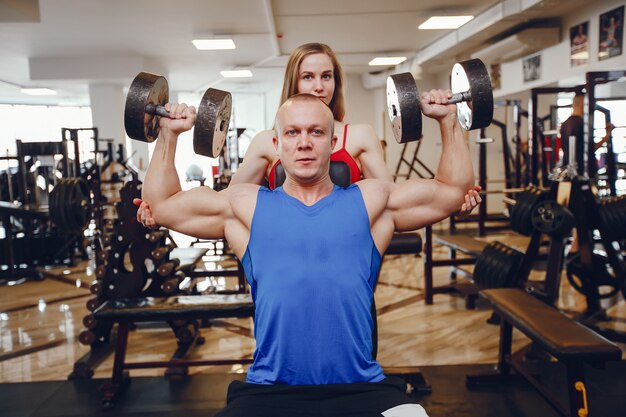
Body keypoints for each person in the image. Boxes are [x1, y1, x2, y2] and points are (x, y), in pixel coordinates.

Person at [141, 93, 474, 417]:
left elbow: (452, 190)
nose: (304, 142)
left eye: (316, 132)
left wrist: (448, 121)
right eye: (292, 132)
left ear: (333, 142)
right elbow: (163, 204)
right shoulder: (245, 204)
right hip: (271, 391)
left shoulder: (371, 201)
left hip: (361, 388)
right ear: (277, 144)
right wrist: (168, 134)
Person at [134, 43, 481, 228]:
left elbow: (392, 202)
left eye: (326, 76)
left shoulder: (359, 135)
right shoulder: (264, 143)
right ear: (293, 83)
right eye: (308, 77)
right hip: (283, 252)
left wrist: (449, 122)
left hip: (348, 253)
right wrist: (168, 134)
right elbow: (229, 204)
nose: (318, 86)